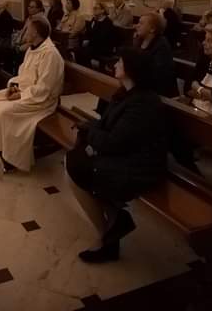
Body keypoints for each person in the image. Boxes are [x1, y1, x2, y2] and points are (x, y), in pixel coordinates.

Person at [66, 49, 166, 263]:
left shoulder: (143, 103)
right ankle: (112, 225)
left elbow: (115, 142)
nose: (115, 65)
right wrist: (91, 136)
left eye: (120, 62)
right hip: (124, 156)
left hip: (140, 167)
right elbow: (105, 127)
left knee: (77, 167)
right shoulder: (125, 93)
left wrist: (92, 137)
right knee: (75, 163)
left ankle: (108, 234)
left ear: (131, 69)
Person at [0, 16, 64, 172]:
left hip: (41, 101)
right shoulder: (33, 48)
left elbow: (45, 88)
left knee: (4, 112)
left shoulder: (50, 54)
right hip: (25, 92)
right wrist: (14, 87)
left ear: (36, 32)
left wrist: (21, 95)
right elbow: (23, 75)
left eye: (28, 29)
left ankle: (8, 156)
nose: (24, 32)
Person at [134, 12, 175, 96]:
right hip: (141, 84)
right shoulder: (139, 40)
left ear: (152, 29)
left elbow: (157, 74)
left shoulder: (162, 46)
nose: (137, 26)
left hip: (157, 91)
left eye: (141, 23)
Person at [76, 1, 117, 68]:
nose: (94, 10)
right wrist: (85, 39)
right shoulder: (94, 19)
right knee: (78, 50)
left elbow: (102, 37)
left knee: (84, 52)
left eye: (96, 8)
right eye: (94, 8)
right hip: (94, 45)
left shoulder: (107, 22)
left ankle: (88, 70)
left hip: (104, 46)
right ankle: (83, 69)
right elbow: (88, 32)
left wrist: (89, 41)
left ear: (102, 10)